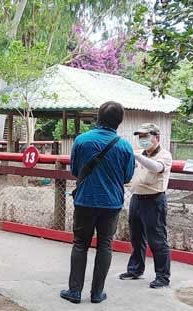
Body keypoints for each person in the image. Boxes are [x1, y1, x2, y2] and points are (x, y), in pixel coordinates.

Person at [61, 101, 135, 304]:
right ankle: (97, 293)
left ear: (98, 117)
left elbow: (75, 171)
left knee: (80, 244)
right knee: (105, 246)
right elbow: (127, 177)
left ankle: (74, 291)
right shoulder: (125, 146)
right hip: (111, 203)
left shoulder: (82, 141)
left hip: (85, 200)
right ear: (119, 122)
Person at [119, 123, 173, 288]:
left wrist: (138, 157)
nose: (142, 140)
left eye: (146, 136)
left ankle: (162, 277)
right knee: (136, 237)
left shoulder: (164, 155)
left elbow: (157, 167)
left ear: (156, 137)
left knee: (157, 240)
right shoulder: (139, 154)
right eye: (140, 137)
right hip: (137, 198)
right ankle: (135, 269)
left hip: (154, 199)